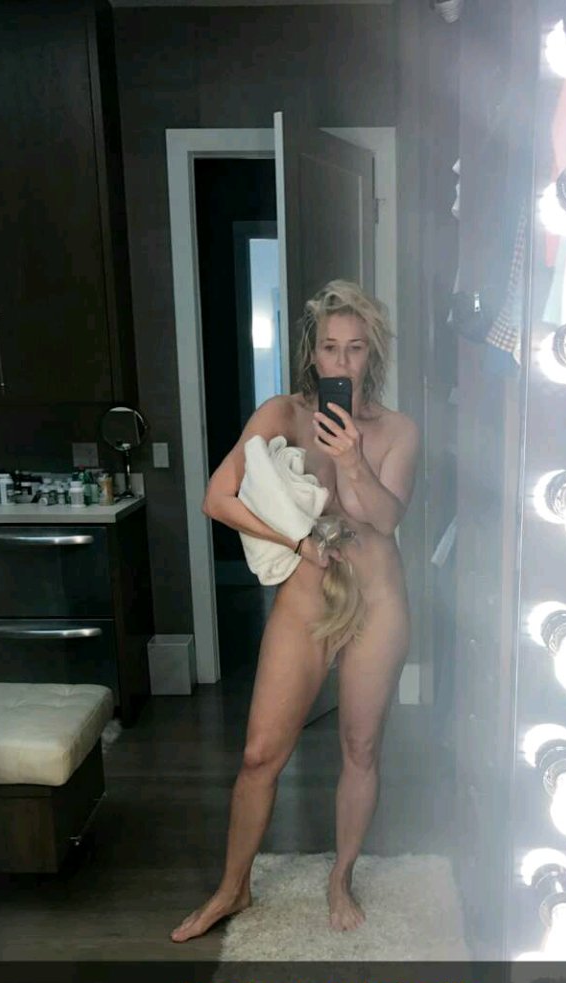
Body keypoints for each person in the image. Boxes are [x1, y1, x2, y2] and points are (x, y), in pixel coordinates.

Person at [171, 279, 420, 941]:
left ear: (373, 355)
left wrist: (353, 460)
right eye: (330, 347)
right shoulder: (281, 414)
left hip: (376, 599)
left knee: (361, 746)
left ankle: (340, 877)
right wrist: (299, 541)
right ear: (313, 353)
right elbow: (218, 498)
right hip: (309, 594)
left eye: (356, 349)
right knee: (260, 754)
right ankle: (233, 887)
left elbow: (386, 519)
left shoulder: (398, 431)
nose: (342, 361)